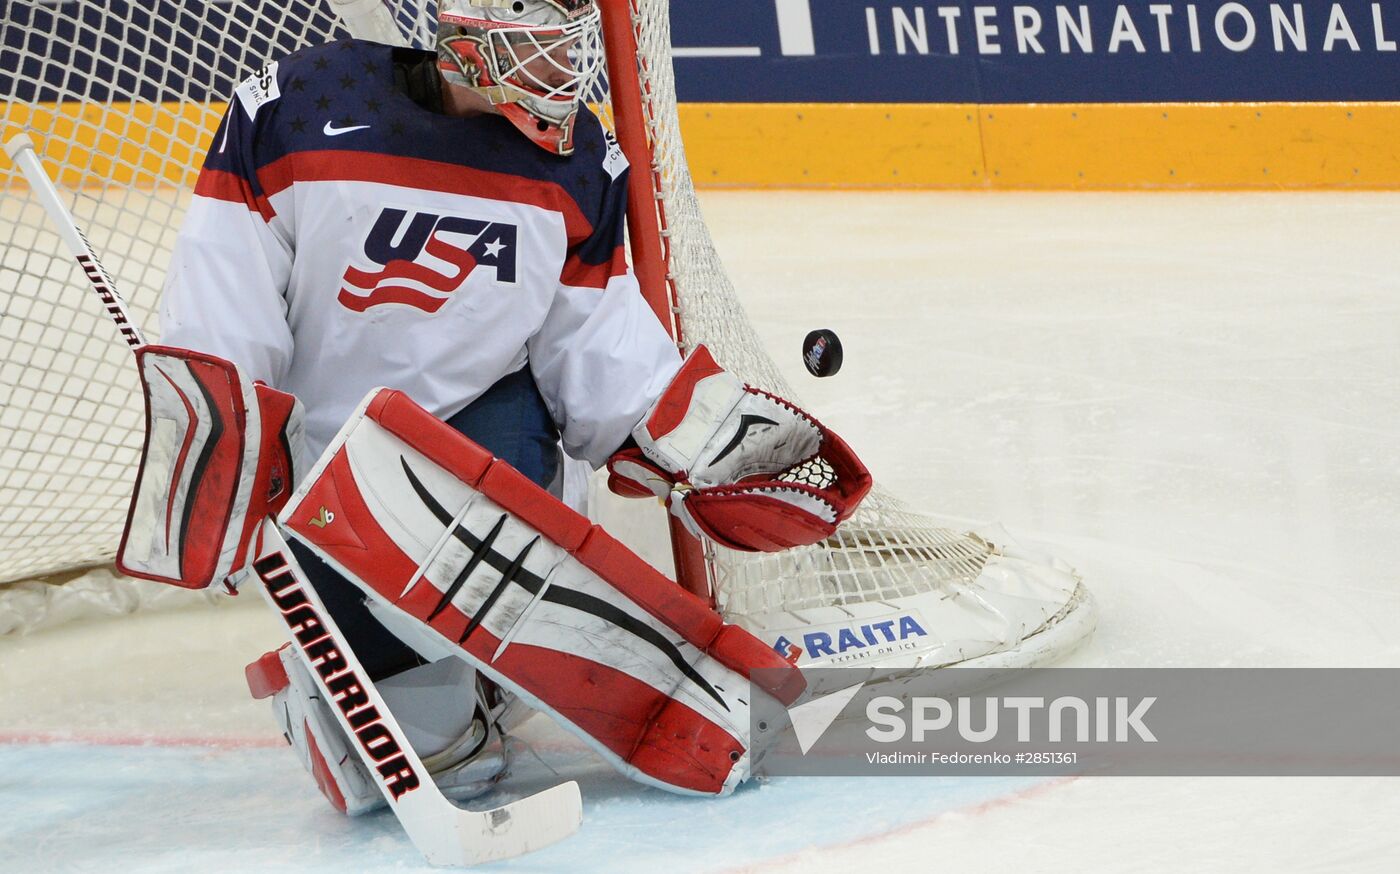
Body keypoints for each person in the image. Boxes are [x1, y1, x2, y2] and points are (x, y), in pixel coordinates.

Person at [154, 0, 868, 816]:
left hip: (484, 447)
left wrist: (699, 441)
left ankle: (470, 665)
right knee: (440, 759)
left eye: (573, 41)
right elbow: (222, 298)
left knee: (499, 498)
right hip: (327, 479)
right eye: (542, 41)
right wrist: (226, 456)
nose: (567, 66)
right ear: (468, 36)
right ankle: (366, 685)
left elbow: (595, 339)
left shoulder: (578, 160)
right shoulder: (300, 107)